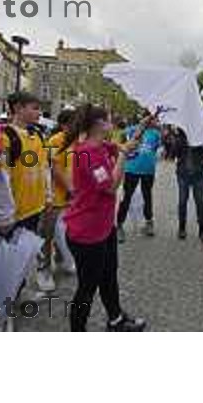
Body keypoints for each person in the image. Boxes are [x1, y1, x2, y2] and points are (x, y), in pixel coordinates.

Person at [62, 104, 147, 332]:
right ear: (99, 124)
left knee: (109, 275)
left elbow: (123, 146)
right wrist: (121, 157)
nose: (113, 122)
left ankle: (116, 319)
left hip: (104, 228)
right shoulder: (88, 153)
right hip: (87, 232)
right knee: (87, 288)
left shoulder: (101, 145)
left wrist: (143, 125)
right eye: (109, 119)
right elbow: (110, 186)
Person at [1, 91, 52, 294]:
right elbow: (2, 177)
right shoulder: (5, 137)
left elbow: (44, 167)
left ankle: (18, 292)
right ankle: (5, 304)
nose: (39, 112)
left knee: (24, 256)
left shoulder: (38, 135)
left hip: (34, 208)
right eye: (34, 107)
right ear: (18, 108)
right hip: (15, 212)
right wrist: (5, 212)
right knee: (9, 260)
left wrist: (48, 196)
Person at [116, 111, 162, 241]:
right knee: (127, 197)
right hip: (131, 169)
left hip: (148, 170)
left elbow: (156, 150)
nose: (153, 121)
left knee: (147, 195)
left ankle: (149, 222)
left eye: (154, 119)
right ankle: (119, 225)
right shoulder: (131, 130)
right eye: (152, 119)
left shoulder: (156, 134)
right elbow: (123, 144)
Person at [44, 108, 76, 273]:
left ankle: (62, 257)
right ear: (64, 125)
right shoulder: (55, 141)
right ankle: (46, 268)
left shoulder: (76, 140)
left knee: (64, 230)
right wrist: (70, 189)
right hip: (56, 195)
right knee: (49, 233)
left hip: (71, 194)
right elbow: (54, 169)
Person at [174, 128, 203, 242]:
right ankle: (181, 228)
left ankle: (202, 230)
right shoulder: (180, 138)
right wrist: (178, 140)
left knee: (200, 202)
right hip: (183, 174)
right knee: (182, 201)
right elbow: (174, 153)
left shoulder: (200, 138)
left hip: (197, 175)